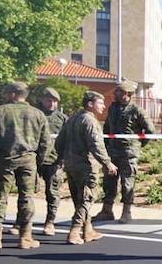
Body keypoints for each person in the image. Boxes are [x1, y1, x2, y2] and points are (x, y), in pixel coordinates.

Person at [53, 91, 116, 245]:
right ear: (90, 104)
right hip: (86, 166)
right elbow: (96, 145)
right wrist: (107, 163)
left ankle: (88, 230)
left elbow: (59, 142)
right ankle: (74, 231)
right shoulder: (90, 121)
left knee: (79, 199)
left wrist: (62, 158)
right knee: (87, 199)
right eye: (100, 103)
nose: (103, 106)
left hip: (71, 165)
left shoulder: (72, 119)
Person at [0, 81, 51, 249]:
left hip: (4, 159)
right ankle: (25, 237)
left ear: (12, 94)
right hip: (28, 160)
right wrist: (38, 162)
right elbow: (45, 143)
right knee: (26, 198)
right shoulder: (38, 114)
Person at [95, 81, 149, 223]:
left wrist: (136, 146)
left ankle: (126, 212)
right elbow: (107, 128)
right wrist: (106, 146)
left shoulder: (137, 110)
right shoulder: (113, 108)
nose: (114, 94)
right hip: (112, 151)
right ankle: (107, 210)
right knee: (109, 181)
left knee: (127, 183)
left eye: (117, 91)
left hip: (128, 153)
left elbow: (150, 131)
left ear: (126, 94)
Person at [36, 87, 66, 236]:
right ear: (42, 100)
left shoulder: (62, 119)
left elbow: (68, 140)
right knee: (26, 193)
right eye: (49, 100)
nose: (52, 104)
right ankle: (20, 222)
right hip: (33, 160)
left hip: (54, 160)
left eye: (55, 101)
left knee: (52, 192)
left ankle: (50, 221)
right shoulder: (34, 115)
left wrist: (64, 159)